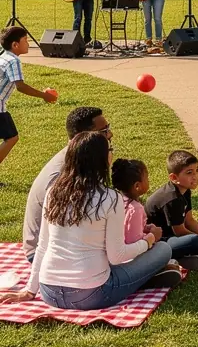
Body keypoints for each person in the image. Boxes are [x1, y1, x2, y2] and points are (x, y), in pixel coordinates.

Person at [0, 133, 179, 310]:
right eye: (109, 149)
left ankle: (144, 277)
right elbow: (117, 256)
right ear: (101, 159)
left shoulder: (53, 192)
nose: (112, 153)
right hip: (93, 294)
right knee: (163, 249)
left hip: (49, 293)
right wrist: (149, 240)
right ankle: (146, 277)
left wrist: (30, 291)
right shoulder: (110, 198)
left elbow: (43, 245)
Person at [23, 105, 112, 259]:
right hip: (47, 255)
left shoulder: (80, 160)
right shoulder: (63, 176)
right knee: (161, 250)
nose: (110, 134)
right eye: (103, 131)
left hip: (63, 251)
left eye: (108, 128)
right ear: (85, 137)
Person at [0, 26, 58, 166]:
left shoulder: (3, 55)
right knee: (12, 137)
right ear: (15, 45)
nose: (29, 44)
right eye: (25, 40)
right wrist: (44, 95)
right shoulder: (14, 60)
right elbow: (20, 86)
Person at [111, 157, 169, 255]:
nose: (148, 180)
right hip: (131, 259)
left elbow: (127, 230)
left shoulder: (117, 201)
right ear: (137, 186)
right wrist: (153, 236)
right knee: (164, 248)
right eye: (146, 178)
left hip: (118, 255)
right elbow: (134, 244)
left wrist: (145, 228)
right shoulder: (135, 209)